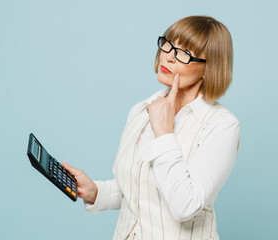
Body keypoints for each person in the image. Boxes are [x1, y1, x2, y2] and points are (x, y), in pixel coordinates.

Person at [63, 15, 240, 240]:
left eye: (184, 53)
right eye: (168, 44)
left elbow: (185, 206)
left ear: (209, 69)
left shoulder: (222, 125)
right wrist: (95, 192)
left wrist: (164, 131)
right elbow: (138, 191)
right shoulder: (141, 110)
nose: (169, 57)